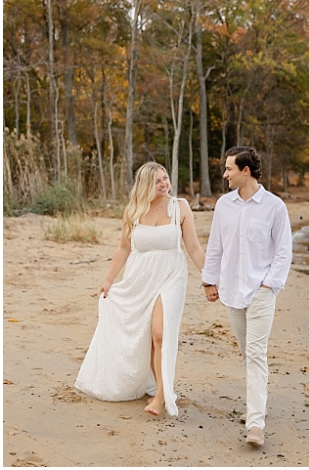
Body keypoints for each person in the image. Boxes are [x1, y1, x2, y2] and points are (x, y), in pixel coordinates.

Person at [75, 162, 206, 416]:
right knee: (145, 336)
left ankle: (161, 396)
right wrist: (109, 280)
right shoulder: (133, 210)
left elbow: (193, 248)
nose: (164, 184)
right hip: (140, 279)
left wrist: (210, 279)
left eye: (165, 178)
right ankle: (156, 382)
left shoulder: (180, 208)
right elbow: (123, 248)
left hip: (171, 276)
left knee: (159, 333)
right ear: (146, 184)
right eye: (157, 181)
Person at [201, 146, 292, 448]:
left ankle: (256, 424)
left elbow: (282, 251)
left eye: (228, 169)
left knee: (255, 354)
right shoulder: (223, 206)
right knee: (246, 352)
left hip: (261, 291)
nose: (224, 174)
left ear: (245, 171)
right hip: (230, 291)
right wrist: (208, 281)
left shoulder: (274, 207)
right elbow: (215, 247)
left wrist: (269, 285)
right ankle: (257, 405)